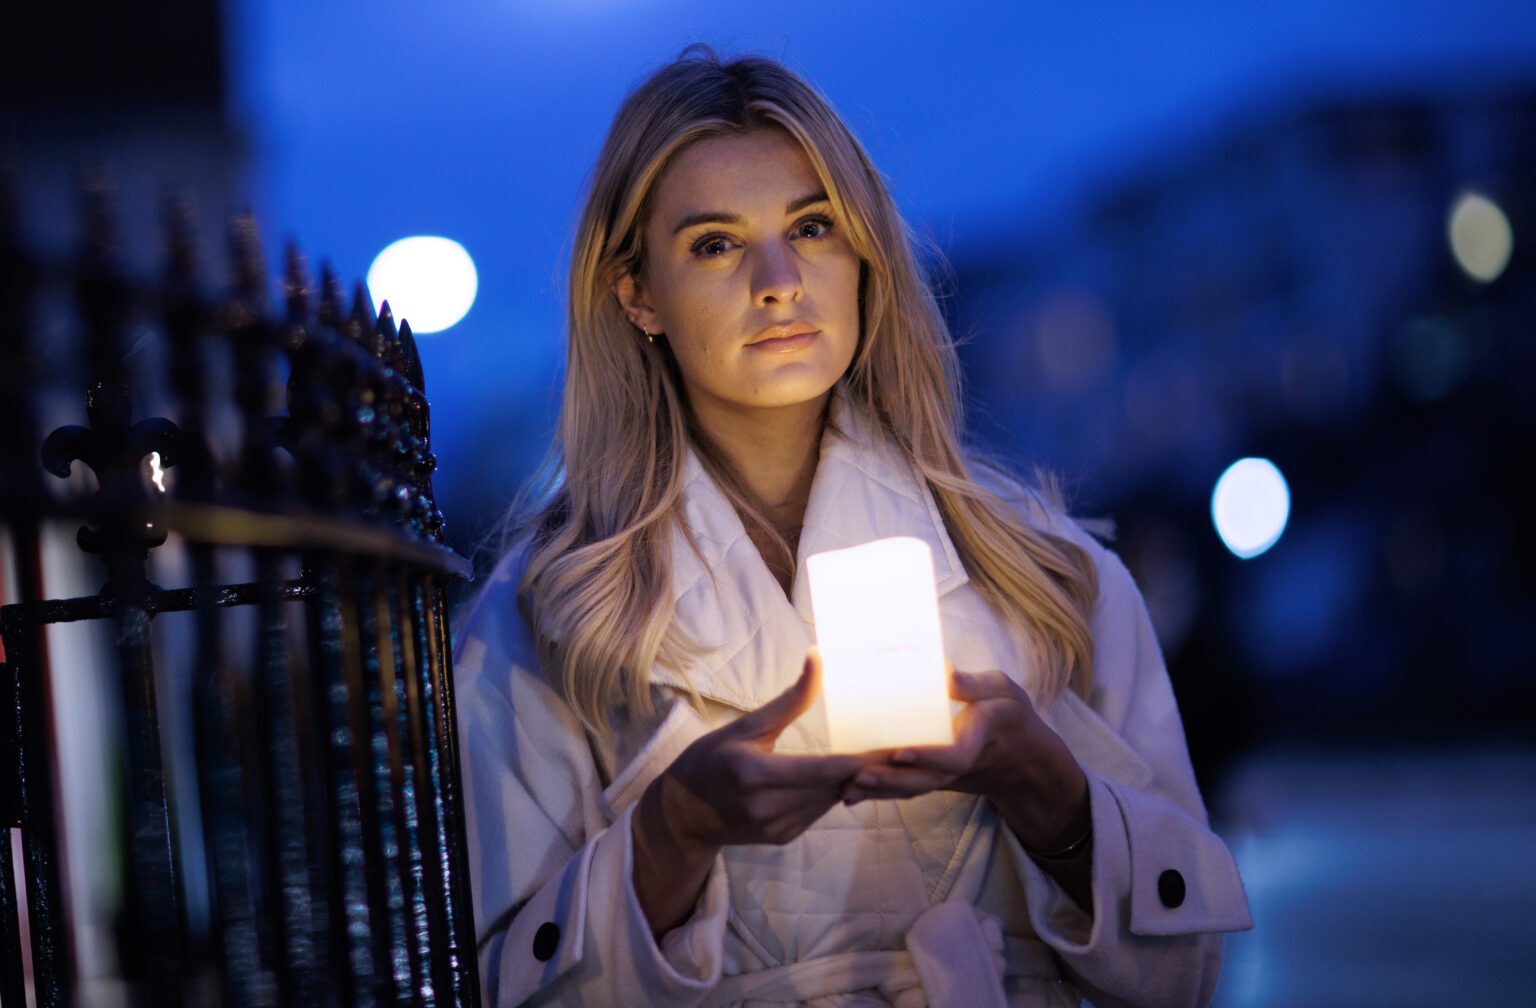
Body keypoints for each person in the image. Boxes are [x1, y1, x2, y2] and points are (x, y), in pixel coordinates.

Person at [456, 46, 1252, 1008]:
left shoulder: (1045, 578)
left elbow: (1190, 976)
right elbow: (497, 986)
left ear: (865, 254)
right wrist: (674, 833)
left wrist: (1050, 793)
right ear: (636, 294)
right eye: (716, 243)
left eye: (814, 226)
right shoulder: (545, 622)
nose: (780, 280)